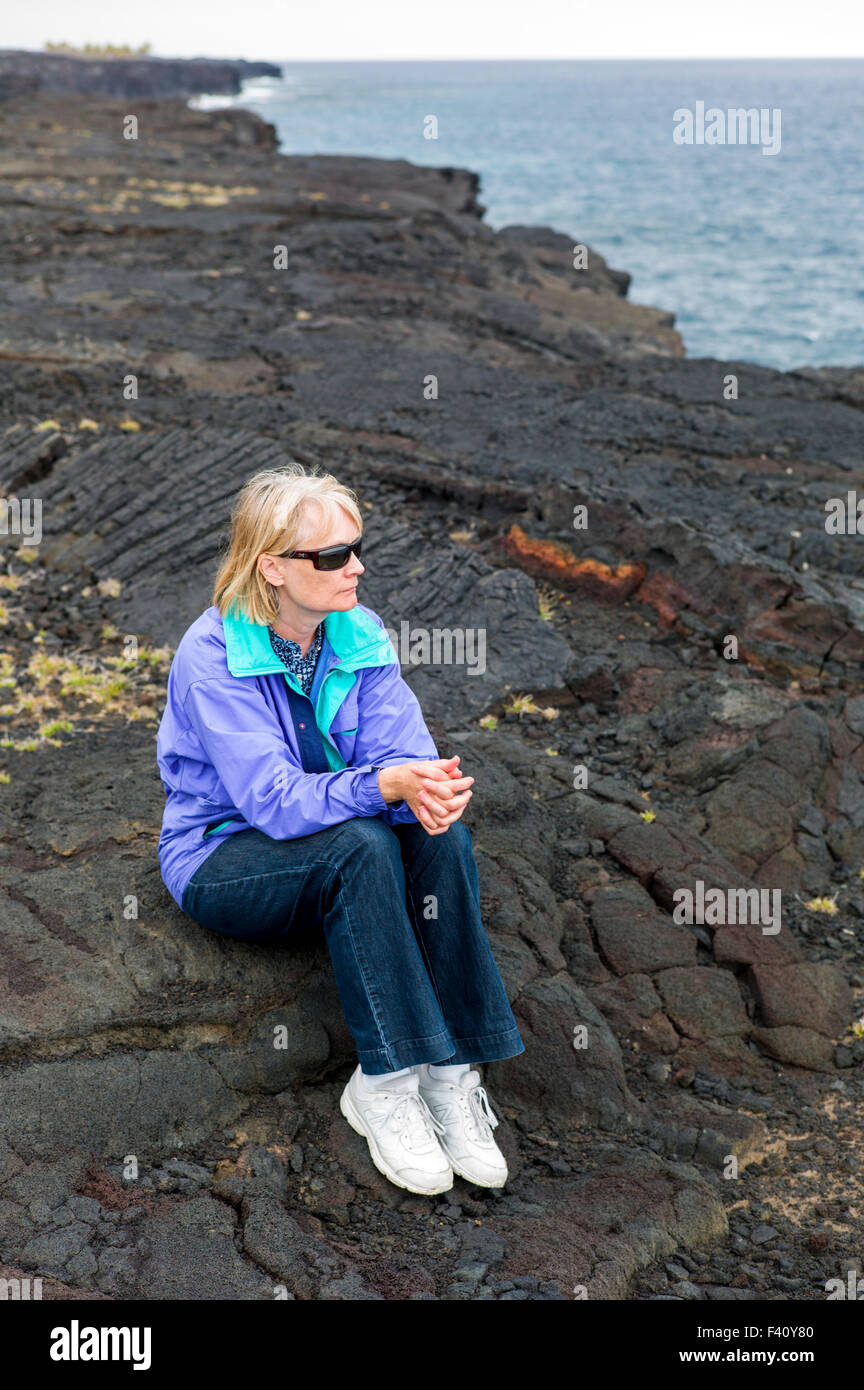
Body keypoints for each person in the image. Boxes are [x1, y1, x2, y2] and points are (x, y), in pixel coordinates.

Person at [155, 464, 524, 1196]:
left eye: (355, 549)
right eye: (330, 556)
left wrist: (425, 792)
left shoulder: (358, 632)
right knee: (362, 845)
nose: (353, 568)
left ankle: (450, 1070)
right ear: (273, 568)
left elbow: (401, 752)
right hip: (225, 856)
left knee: (437, 835)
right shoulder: (213, 657)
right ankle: (385, 1082)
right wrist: (382, 787)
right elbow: (273, 802)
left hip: (331, 830)